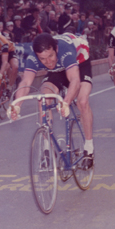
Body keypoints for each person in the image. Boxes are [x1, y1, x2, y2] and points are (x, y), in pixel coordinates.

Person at [10, 32, 95, 168]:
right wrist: (16, 105)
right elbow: (26, 82)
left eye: (50, 56)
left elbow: (74, 79)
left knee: (82, 102)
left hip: (79, 62)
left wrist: (65, 102)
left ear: (55, 49)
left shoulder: (65, 50)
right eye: (43, 59)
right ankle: (47, 149)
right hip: (58, 69)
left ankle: (89, 149)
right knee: (42, 99)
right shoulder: (33, 57)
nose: (48, 62)